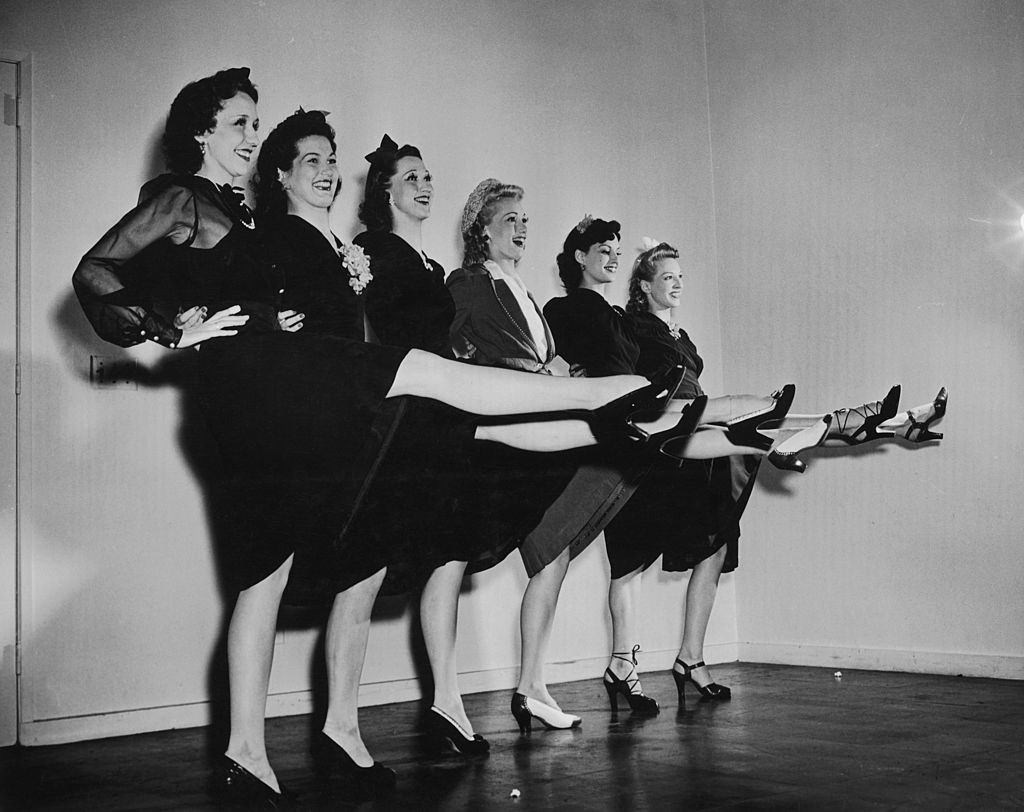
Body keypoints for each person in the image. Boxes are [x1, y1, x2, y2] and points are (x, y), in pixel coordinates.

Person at [69, 70, 703, 807]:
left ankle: (249, 749)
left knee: (270, 564)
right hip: (243, 396)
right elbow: (96, 272)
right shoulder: (184, 198)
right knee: (412, 376)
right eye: (238, 123)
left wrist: (275, 317)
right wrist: (171, 330)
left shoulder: (244, 219)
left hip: (273, 387)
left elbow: (249, 289)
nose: (248, 135)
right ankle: (603, 399)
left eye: (253, 122)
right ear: (202, 133)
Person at [545, 218, 946, 712]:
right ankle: (623, 664)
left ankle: (690, 659)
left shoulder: (680, 334)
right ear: (644, 285)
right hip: (663, 446)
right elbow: (610, 366)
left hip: (699, 439)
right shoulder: (630, 324)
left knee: (716, 539)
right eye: (667, 276)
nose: (677, 283)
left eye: (681, 276)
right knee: (629, 560)